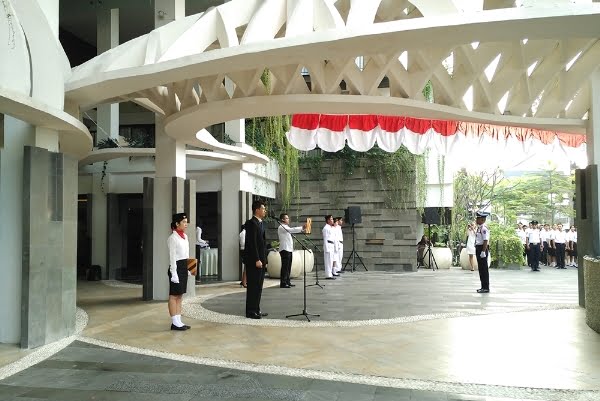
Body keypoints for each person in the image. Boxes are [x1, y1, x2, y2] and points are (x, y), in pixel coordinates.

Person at [244, 200, 268, 319]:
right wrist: (257, 259)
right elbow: (252, 244)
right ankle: (250, 311)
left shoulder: (261, 223)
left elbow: (262, 244)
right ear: (257, 210)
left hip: (261, 260)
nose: (265, 211)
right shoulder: (251, 223)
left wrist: (265, 260)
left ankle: (257, 308)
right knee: (253, 286)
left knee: (259, 286)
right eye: (263, 208)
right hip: (254, 261)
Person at [167, 212, 192, 331]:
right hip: (176, 267)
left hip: (183, 266)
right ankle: (174, 322)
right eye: (184, 222)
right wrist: (174, 273)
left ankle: (178, 320)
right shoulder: (172, 238)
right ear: (177, 224)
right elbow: (172, 257)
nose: (186, 224)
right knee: (173, 295)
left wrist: (189, 267)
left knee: (180, 295)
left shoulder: (185, 236)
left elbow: (186, 254)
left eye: (186, 222)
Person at [277, 213, 305, 288]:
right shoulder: (282, 227)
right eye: (286, 218)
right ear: (282, 219)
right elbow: (292, 230)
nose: (288, 219)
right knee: (285, 266)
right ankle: (283, 283)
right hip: (284, 249)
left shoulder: (286, 227)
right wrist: (301, 227)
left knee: (288, 266)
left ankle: (287, 281)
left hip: (289, 249)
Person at [474, 211, 490, 293]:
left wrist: (483, 251)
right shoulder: (479, 228)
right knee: (481, 269)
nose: (476, 220)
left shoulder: (484, 229)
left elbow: (485, 241)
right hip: (479, 248)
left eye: (478, 218)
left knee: (484, 269)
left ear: (482, 220)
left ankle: (486, 287)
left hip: (482, 249)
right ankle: (483, 286)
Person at [322, 215, 339, 279]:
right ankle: (328, 275)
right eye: (331, 219)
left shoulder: (330, 228)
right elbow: (325, 238)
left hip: (331, 245)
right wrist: (326, 248)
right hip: (328, 245)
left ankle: (330, 273)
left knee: (331, 260)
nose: (332, 220)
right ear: (328, 220)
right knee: (328, 261)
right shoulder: (326, 228)